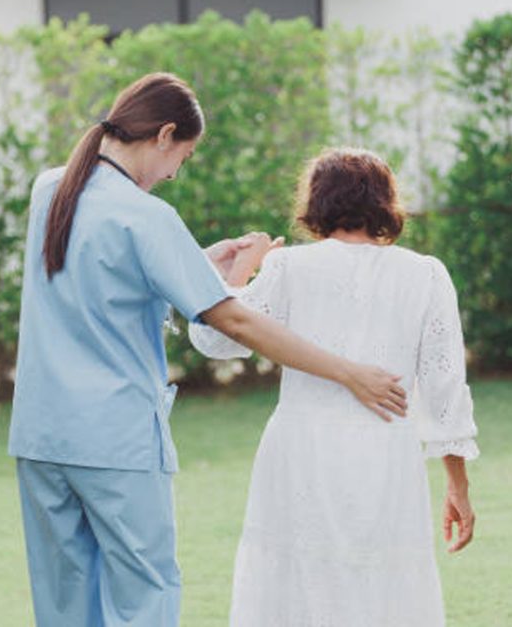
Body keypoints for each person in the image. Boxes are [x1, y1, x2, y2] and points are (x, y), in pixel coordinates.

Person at [7, 74, 407, 627]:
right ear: (164, 134)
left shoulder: (50, 189)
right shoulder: (146, 216)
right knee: (145, 596)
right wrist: (348, 372)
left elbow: (98, 276)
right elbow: (236, 321)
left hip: (40, 438)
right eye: (184, 157)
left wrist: (196, 263)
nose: (174, 173)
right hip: (115, 442)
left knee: (63, 605)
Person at [189, 148, 479, 627]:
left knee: (297, 577)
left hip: (301, 447)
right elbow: (445, 392)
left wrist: (241, 271)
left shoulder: (288, 267)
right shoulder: (426, 275)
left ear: (316, 201)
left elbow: (216, 339)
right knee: (382, 582)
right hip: (385, 448)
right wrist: (458, 487)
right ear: (385, 202)